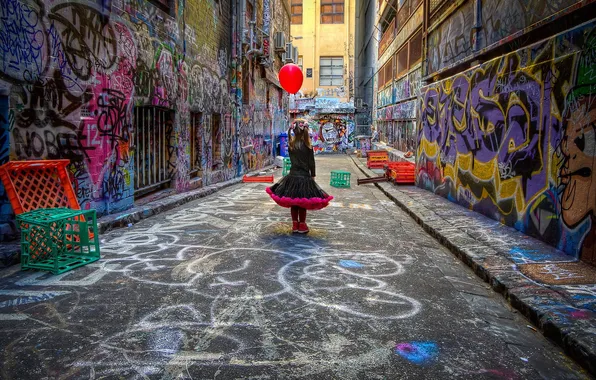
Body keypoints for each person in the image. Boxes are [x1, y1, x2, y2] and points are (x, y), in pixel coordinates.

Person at [266, 119, 334, 233]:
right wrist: (313, 175)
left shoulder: (291, 144)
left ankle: (294, 225)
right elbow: (311, 162)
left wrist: (290, 130)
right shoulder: (308, 145)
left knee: (294, 202)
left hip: (292, 177)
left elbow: (289, 136)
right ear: (306, 132)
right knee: (303, 202)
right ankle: (302, 225)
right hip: (304, 177)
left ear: (294, 132)